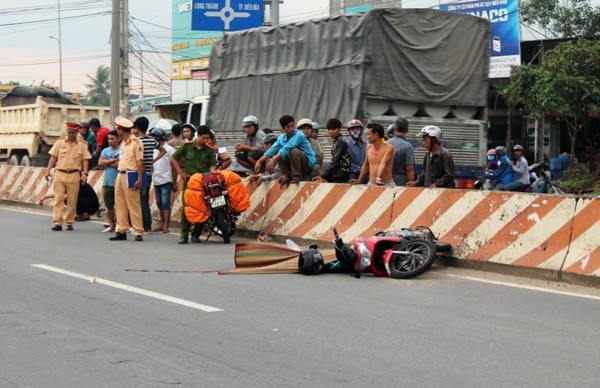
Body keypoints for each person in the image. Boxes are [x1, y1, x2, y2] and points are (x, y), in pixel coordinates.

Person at [170, 125, 217, 244]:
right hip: (189, 182)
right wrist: (180, 172)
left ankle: (196, 234)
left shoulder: (208, 150)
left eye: (208, 138)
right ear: (198, 136)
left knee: (203, 208)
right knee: (187, 208)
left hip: (203, 183)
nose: (206, 140)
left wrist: (214, 173)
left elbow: (212, 165)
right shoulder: (186, 147)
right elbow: (173, 158)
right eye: (204, 138)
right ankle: (184, 235)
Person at [44, 121, 92, 231]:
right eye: (69, 132)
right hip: (60, 173)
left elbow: (86, 159)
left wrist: (84, 173)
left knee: (72, 200)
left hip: (74, 174)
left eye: (73, 132)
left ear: (77, 132)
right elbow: (53, 157)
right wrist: (48, 170)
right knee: (58, 198)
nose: (70, 134)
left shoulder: (82, 144)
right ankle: (57, 222)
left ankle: (69, 222)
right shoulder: (60, 142)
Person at [109, 116, 145, 242]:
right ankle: (121, 230)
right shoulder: (123, 143)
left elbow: (140, 162)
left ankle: (138, 231)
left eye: (117, 128)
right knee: (120, 204)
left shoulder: (136, 142)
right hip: (121, 173)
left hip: (131, 174)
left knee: (133, 204)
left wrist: (139, 179)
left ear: (121, 130)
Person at [255, 115, 316, 186]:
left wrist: (273, 160)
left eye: (292, 126)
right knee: (279, 152)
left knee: (293, 150)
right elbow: (271, 150)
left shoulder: (299, 135)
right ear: (283, 128)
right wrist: (259, 161)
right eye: (288, 127)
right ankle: (286, 175)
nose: (291, 129)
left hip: (307, 165)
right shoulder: (281, 138)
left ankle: (297, 176)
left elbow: (287, 148)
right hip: (293, 163)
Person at [132, 116, 166, 234]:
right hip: (148, 173)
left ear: (137, 127)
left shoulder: (136, 141)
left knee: (138, 200)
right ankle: (145, 225)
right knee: (144, 199)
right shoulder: (152, 140)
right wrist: (153, 161)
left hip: (137, 173)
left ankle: (144, 226)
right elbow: (163, 150)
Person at [349, 123, 395, 187]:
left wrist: (378, 178)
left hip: (386, 183)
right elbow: (366, 165)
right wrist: (359, 180)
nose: (367, 137)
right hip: (371, 182)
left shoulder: (388, 148)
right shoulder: (369, 147)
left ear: (376, 135)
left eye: (368, 134)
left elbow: (383, 163)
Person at [150, 128, 176, 233]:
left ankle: (166, 225)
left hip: (166, 179)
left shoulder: (169, 149)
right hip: (156, 179)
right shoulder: (154, 149)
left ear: (158, 137)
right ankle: (162, 223)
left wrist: (174, 181)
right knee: (159, 203)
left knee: (166, 203)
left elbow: (174, 167)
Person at [313, 118, 351, 183]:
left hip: (341, 176)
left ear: (339, 129)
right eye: (329, 129)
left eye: (333, 129)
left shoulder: (341, 142)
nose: (330, 131)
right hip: (336, 174)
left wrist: (323, 175)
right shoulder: (336, 141)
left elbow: (335, 161)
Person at [98, 129, 120, 233]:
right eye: (109, 139)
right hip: (107, 182)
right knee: (109, 205)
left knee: (120, 205)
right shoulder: (105, 151)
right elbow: (100, 163)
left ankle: (120, 225)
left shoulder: (122, 150)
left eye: (113, 138)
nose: (110, 141)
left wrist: (106, 162)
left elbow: (120, 164)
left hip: (118, 181)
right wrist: (112, 160)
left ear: (118, 139)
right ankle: (111, 224)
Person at [387, 117, 415, 186]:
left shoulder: (386, 143)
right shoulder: (408, 146)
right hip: (401, 182)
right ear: (406, 130)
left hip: (387, 180)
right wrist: (412, 183)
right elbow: (409, 168)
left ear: (395, 129)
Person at [346, 119, 368, 183]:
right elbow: (348, 163)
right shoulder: (347, 145)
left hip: (366, 176)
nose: (355, 131)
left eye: (357, 128)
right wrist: (361, 169)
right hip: (353, 175)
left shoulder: (365, 144)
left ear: (361, 130)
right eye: (352, 129)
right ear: (349, 131)